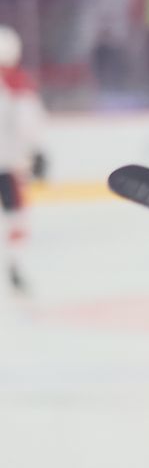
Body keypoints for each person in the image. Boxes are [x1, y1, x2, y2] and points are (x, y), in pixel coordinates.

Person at [0, 26, 47, 294]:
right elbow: (28, 124)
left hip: (8, 164)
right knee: (17, 220)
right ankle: (14, 265)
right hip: (8, 167)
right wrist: (37, 152)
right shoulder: (17, 85)